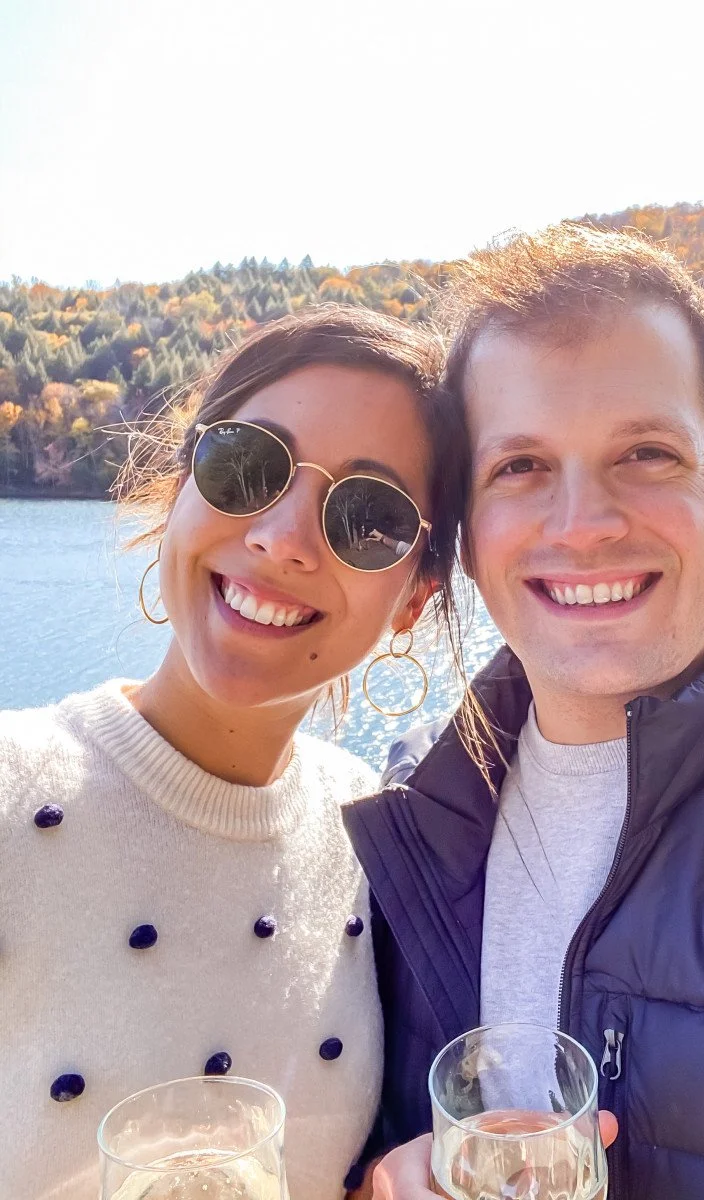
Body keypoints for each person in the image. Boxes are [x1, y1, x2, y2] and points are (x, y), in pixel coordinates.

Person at [343, 225, 704, 1199]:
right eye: (520, 467)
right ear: (468, 538)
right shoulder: (413, 815)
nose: (583, 524)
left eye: (645, 453)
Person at [0, 305, 469, 1200]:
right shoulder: (12, 792)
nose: (280, 539)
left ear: (414, 598)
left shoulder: (370, 837)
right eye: (246, 466)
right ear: (181, 487)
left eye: (368, 517)